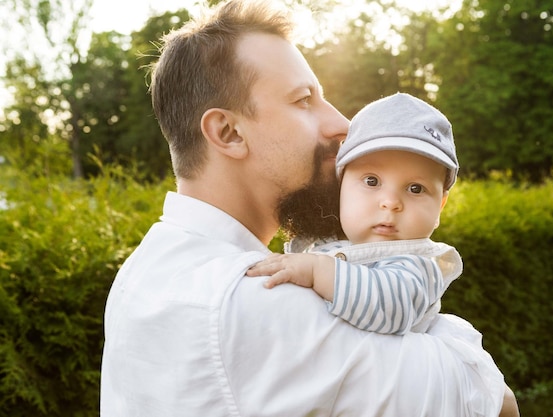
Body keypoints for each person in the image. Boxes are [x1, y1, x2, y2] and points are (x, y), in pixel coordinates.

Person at [100, 1, 519, 416]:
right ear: (227, 132)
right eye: (304, 100)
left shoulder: (145, 269)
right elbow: (497, 403)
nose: (342, 124)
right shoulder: (258, 303)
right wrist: (454, 336)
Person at [247, 93, 520, 416]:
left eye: (415, 188)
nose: (391, 202)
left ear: (441, 205)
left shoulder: (421, 264)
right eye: (372, 181)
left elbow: (389, 305)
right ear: (341, 185)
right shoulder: (321, 245)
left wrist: (317, 271)